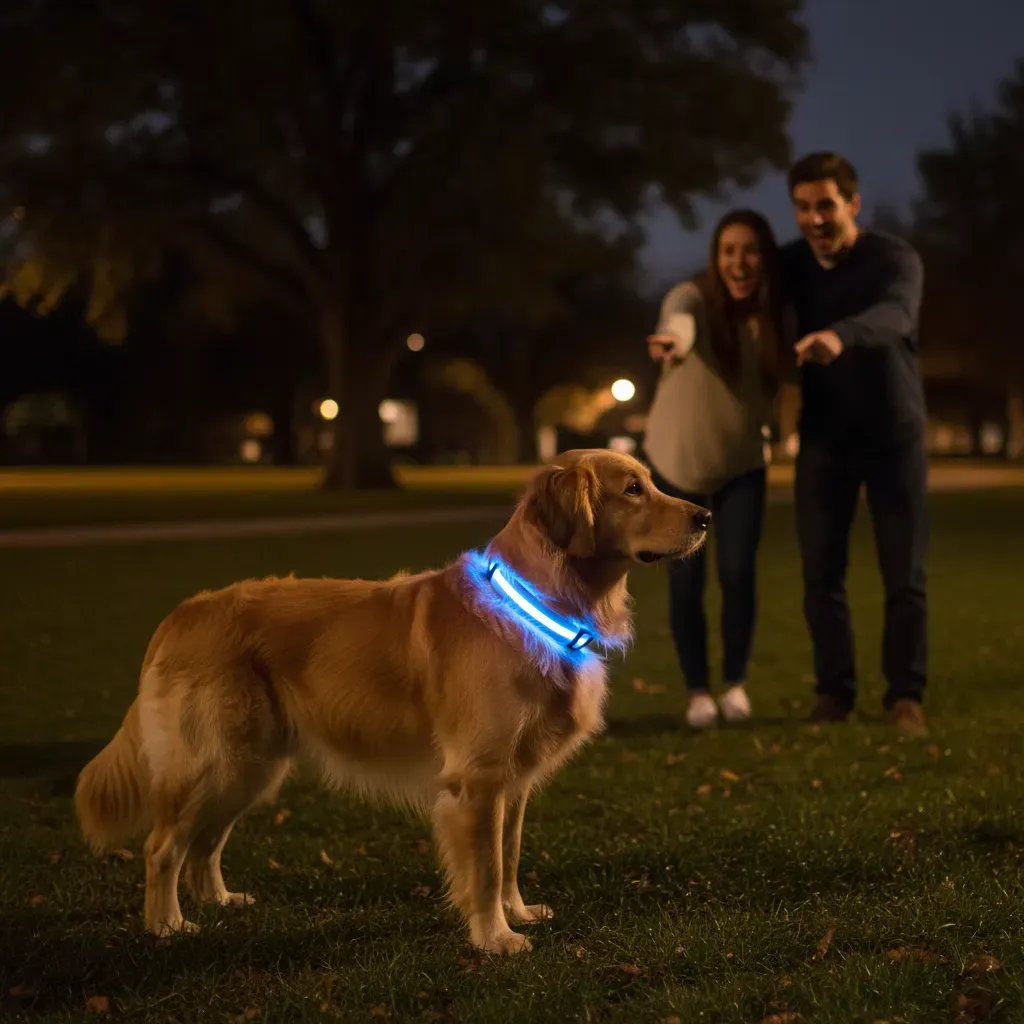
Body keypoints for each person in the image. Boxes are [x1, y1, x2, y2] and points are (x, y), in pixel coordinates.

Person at [781, 152, 928, 736]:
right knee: (820, 573)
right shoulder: (791, 264)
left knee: (904, 575)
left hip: (894, 436)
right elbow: (726, 283)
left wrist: (841, 336)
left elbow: (897, 314)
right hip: (824, 439)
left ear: (852, 204)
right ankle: (834, 694)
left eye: (826, 206)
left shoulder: (894, 258)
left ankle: (906, 698)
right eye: (802, 207)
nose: (815, 219)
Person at [643, 209, 788, 729]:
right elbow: (677, 321)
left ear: (764, 256)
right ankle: (698, 692)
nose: (739, 261)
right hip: (678, 464)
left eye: (749, 249)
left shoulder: (775, 316)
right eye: (728, 250)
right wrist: (672, 340)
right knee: (685, 585)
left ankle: (735, 684)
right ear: (716, 256)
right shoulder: (694, 300)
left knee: (738, 573)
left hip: (743, 464)